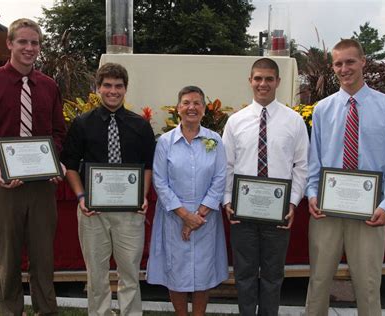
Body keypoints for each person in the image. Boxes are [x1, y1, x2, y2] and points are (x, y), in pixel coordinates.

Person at [0, 18, 66, 315]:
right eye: (22, 41)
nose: (29, 48)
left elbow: (59, 133)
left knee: (44, 259)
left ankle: (46, 311)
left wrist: (54, 160)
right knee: (8, 259)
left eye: (34, 43)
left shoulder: (48, 87)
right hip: (2, 185)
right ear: (9, 43)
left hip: (42, 187)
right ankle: (10, 311)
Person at [305, 39, 385, 316]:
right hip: (326, 212)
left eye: (350, 61)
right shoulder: (322, 109)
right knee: (317, 283)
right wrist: (312, 195)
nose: (344, 68)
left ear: (363, 62)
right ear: (333, 67)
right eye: (338, 63)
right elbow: (313, 161)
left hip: (370, 212)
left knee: (367, 285)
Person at [60, 62, 155, 316]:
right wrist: (81, 197)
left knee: (130, 273)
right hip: (93, 211)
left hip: (130, 212)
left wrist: (142, 196)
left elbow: (148, 166)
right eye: (107, 85)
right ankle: (100, 313)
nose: (113, 91)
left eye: (118, 86)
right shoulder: (81, 123)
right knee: (96, 274)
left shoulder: (141, 125)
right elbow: (69, 165)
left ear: (125, 89)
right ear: (98, 88)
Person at [222, 58, 309, 315]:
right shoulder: (235, 122)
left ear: (278, 82)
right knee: (244, 275)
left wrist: (292, 203)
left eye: (269, 79)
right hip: (242, 214)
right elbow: (226, 165)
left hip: (278, 214)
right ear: (250, 81)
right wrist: (227, 200)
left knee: (273, 277)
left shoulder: (294, 121)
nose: (263, 84)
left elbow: (302, 166)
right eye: (258, 78)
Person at [146, 86, 228, 316]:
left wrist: (198, 215)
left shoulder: (215, 140)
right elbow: (160, 182)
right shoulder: (165, 142)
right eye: (186, 103)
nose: (191, 107)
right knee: (177, 271)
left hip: (205, 218)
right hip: (174, 217)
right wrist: (184, 216)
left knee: (203, 271)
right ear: (178, 108)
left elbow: (220, 178)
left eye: (197, 103)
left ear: (204, 109)